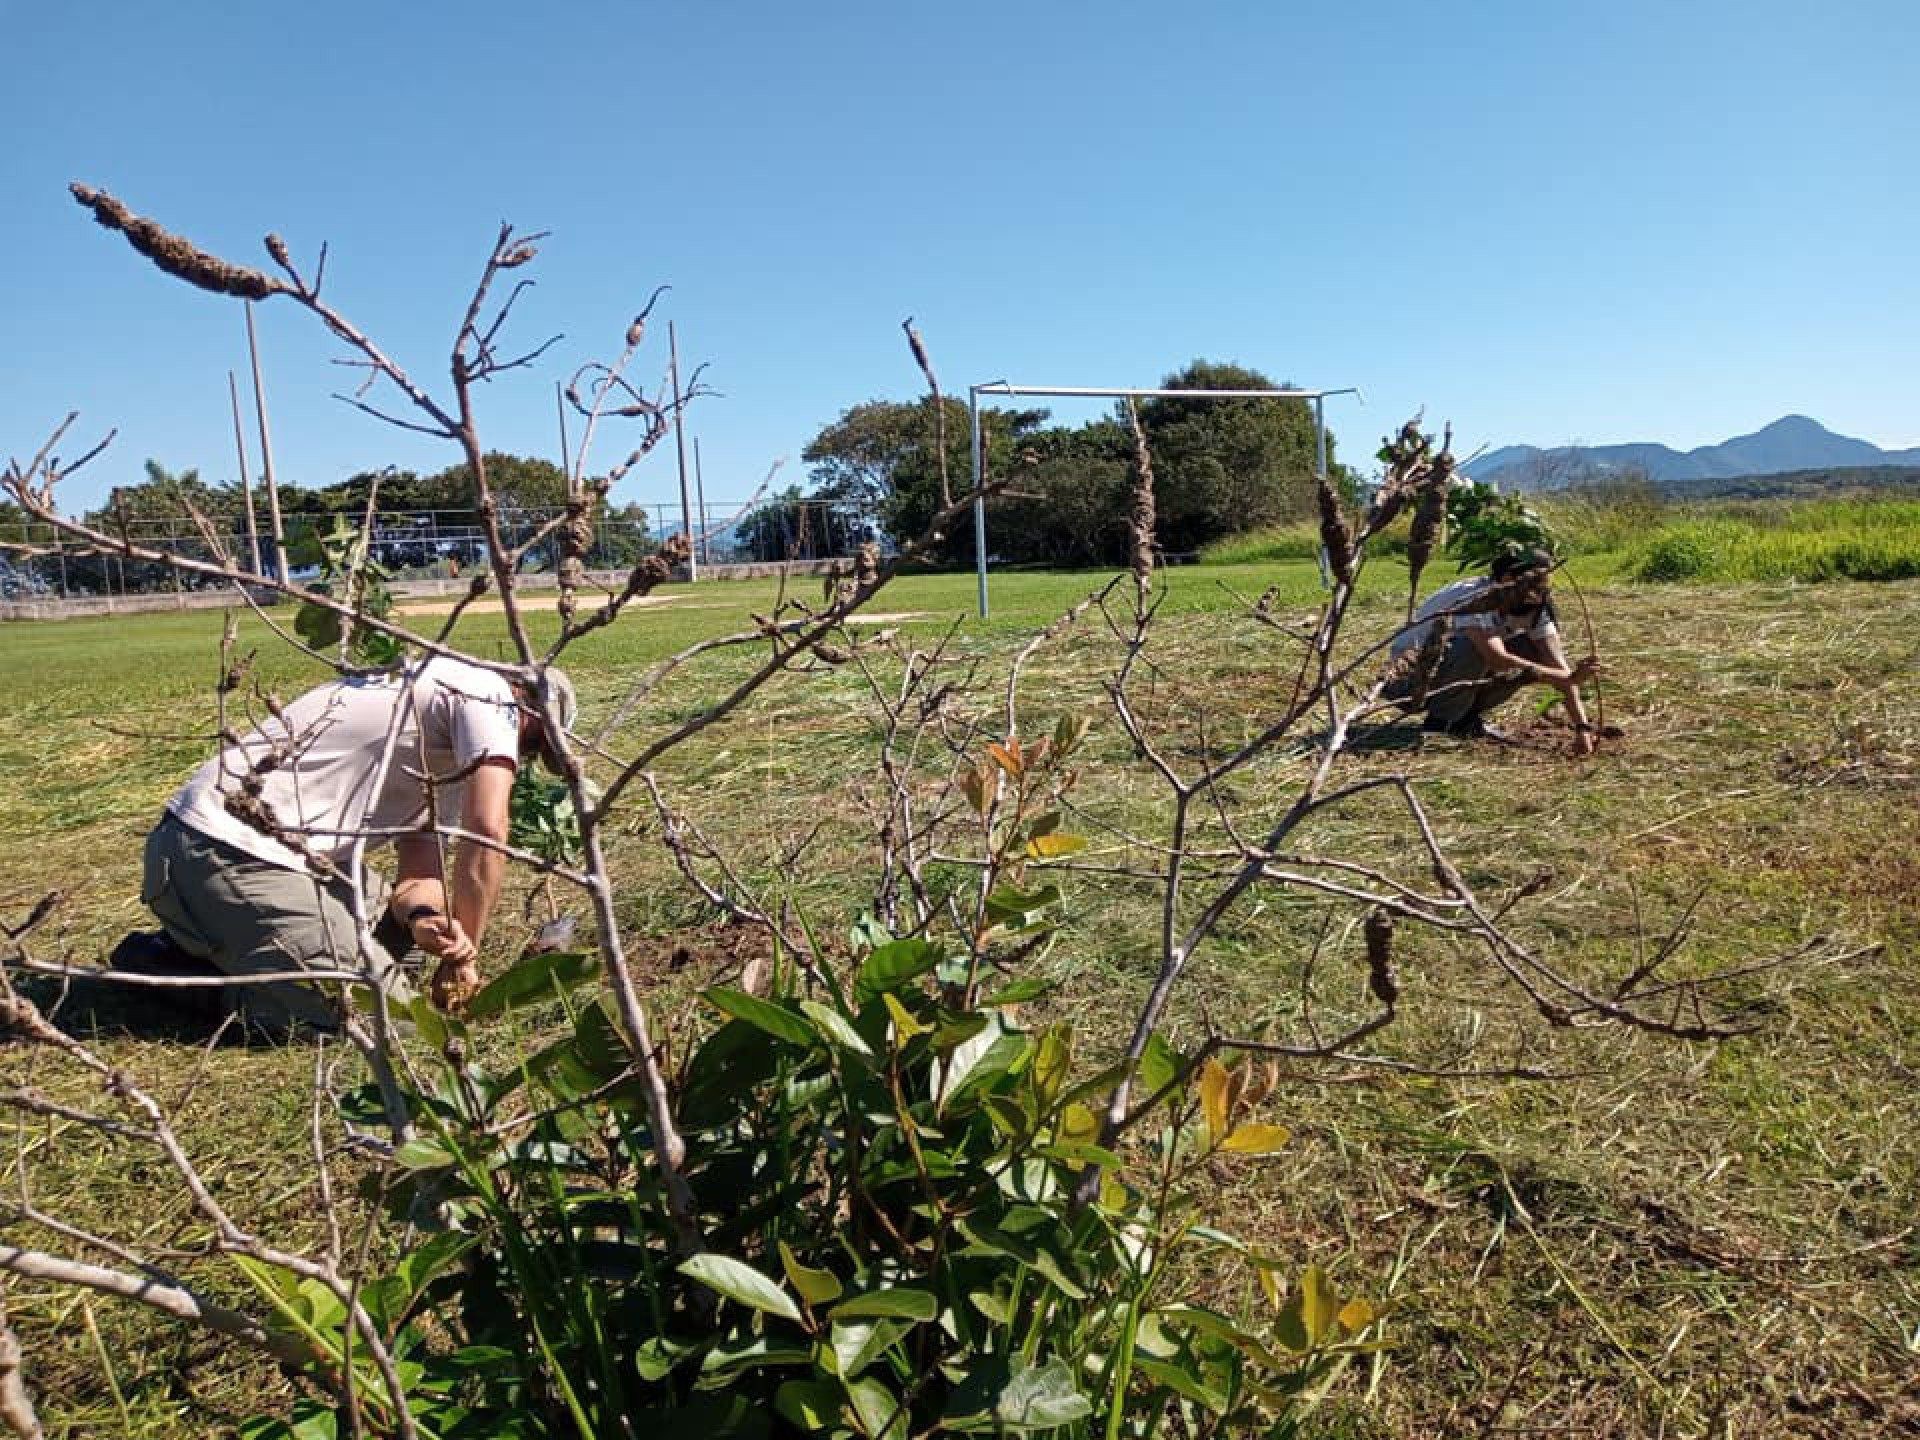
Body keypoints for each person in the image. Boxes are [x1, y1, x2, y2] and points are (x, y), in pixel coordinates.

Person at [114, 658, 577, 1033]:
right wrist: (466, 958)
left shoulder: (443, 746)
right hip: (224, 850)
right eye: (533, 745)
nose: (524, 758)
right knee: (393, 1019)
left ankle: (234, 946)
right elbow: (488, 832)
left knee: (410, 952)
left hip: (278, 863)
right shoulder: (485, 693)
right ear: (527, 706)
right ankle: (178, 973)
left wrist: (426, 921)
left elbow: (418, 875)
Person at [1387, 549, 1601, 754]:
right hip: (1410, 684)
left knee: (1529, 648)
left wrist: (1582, 728)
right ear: (1508, 577)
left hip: (1449, 678)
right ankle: (1443, 722)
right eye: (1533, 579)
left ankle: (1465, 718)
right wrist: (1570, 678)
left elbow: (1558, 667)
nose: (1540, 588)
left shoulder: (1535, 607)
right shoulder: (1475, 597)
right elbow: (1497, 659)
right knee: (1470, 647)